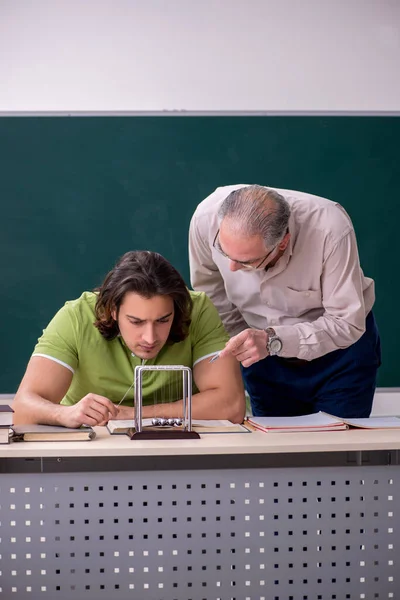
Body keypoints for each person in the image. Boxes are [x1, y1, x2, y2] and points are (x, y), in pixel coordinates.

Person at [189, 184, 381, 418]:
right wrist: (245, 340)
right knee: (275, 450)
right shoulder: (205, 218)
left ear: (282, 243)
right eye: (224, 251)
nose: (232, 267)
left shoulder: (329, 228)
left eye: (247, 262)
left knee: (336, 448)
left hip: (339, 355)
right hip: (263, 357)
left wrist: (271, 340)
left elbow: (346, 323)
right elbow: (211, 291)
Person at [13, 251, 245, 427]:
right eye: (136, 322)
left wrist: (134, 413)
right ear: (113, 311)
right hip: (90, 447)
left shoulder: (198, 309)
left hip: (175, 447)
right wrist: (65, 413)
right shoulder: (75, 316)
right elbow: (24, 406)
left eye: (163, 320)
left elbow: (232, 406)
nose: (150, 337)